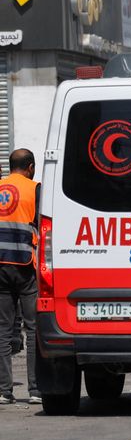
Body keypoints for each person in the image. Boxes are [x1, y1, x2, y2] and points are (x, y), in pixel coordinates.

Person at [0, 149, 40, 404]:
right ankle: (36, 390)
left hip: (0, 265)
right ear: (30, 167)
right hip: (25, 265)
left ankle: (4, 391)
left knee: (2, 330)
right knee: (34, 328)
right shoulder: (35, 189)